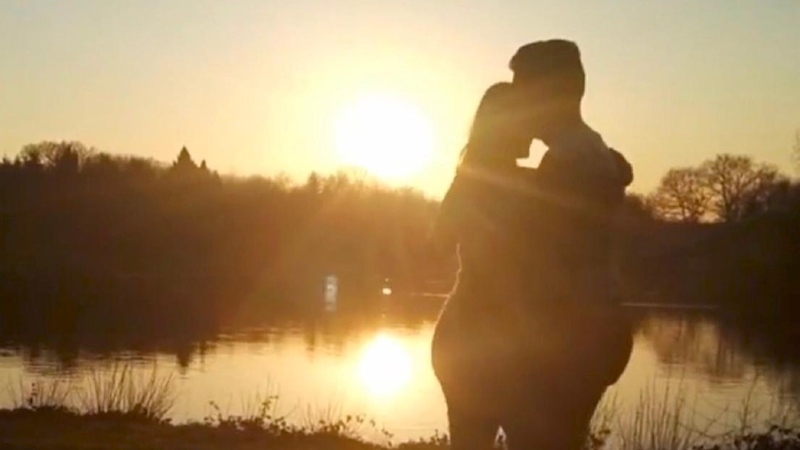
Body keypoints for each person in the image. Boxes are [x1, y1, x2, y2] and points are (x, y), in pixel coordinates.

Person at [430, 40, 634, 450]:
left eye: (522, 88)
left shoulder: (568, 166)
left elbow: (533, 258)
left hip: (562, 343)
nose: (519, 101)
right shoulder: (581, 157)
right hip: (560, 340)